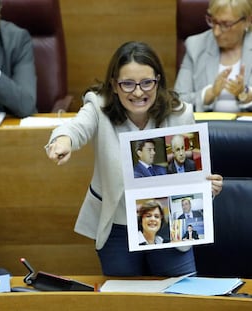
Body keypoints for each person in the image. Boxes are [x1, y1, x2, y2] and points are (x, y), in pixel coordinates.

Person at [45, 41, 223, 276]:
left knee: (181, 298)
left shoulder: (180, 113)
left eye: (147, 83)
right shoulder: (99, 106)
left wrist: (206, 186)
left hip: (169, 226)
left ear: (158, 82)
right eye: (128, 84)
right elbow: (76, 128)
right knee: (124, 299)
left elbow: (189, 174)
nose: (138, 92)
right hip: (118, 226)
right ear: (114, 85)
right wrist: (62, 141)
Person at [174, 0, 252, 112]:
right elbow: (177, 101)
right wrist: (210, 93)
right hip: (208, 126)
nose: (216, 32)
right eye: (213, 22)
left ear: (247, 21)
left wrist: (245, 94)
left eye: (226, 25)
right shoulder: (195, 46)